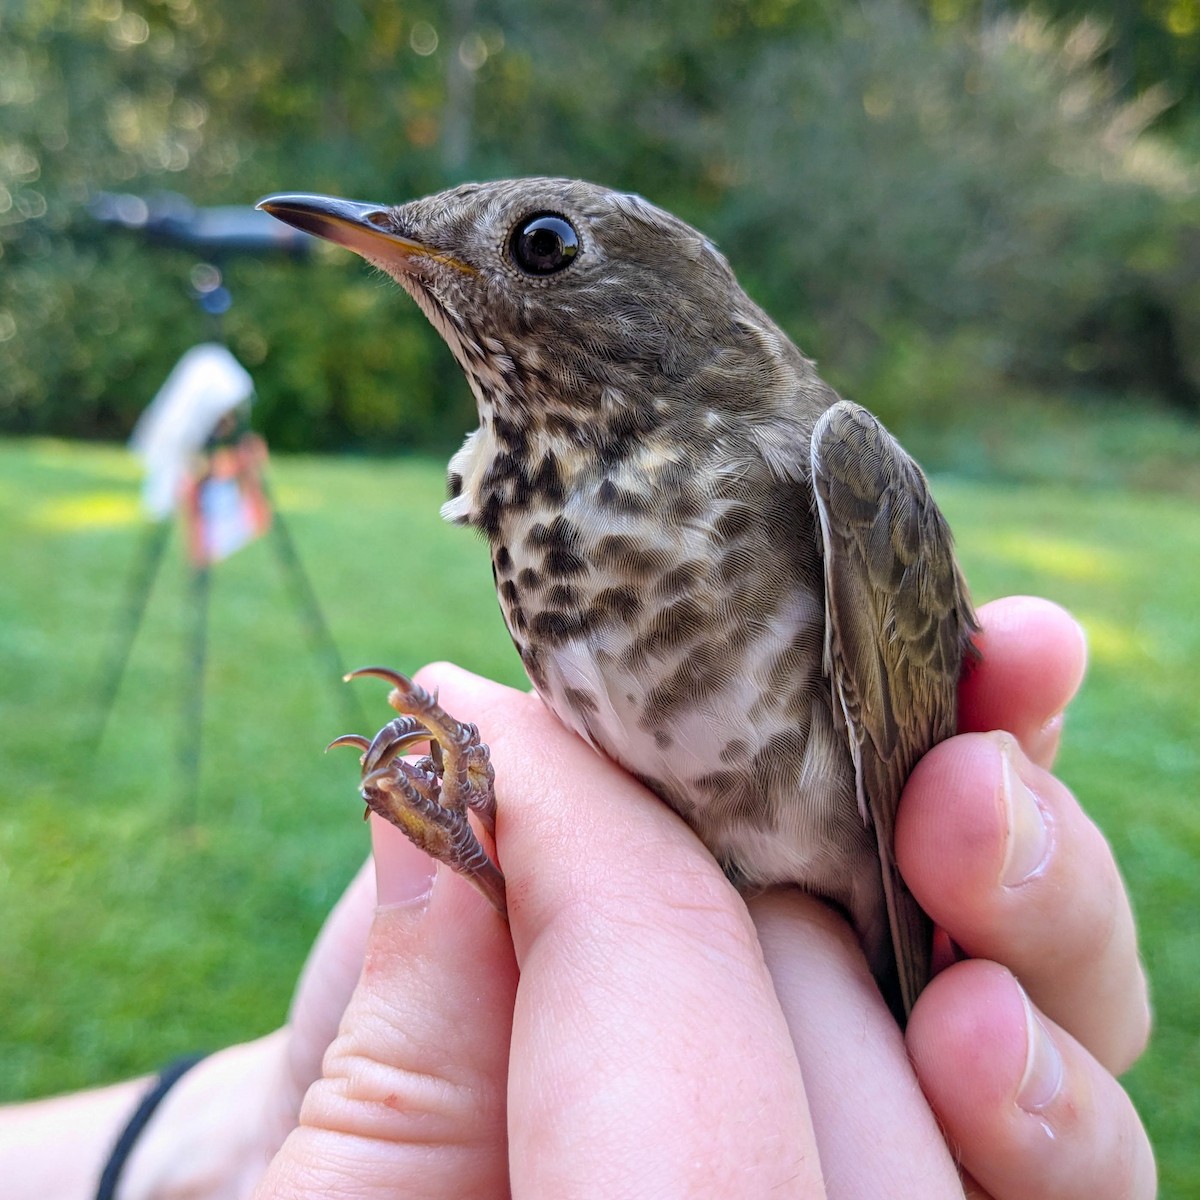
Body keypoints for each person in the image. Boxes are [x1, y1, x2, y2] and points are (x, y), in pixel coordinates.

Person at [0, 597, 1154, 1199]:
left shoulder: (788, 460)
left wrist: (260, 1131)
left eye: (539, 246)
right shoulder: (505, 482)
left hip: (848, 909)